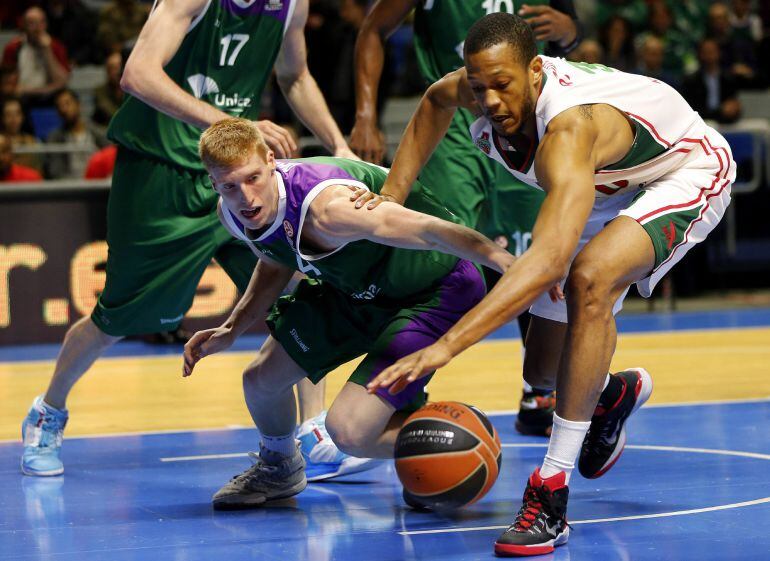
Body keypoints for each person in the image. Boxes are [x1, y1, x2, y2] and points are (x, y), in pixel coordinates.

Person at [365, 13, 734, 555]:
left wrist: (444, 349)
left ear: (535, 71)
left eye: (502, 85)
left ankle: (550, 492)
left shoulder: (568, 128)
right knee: (541, 372)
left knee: (589, 280)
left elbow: (546, 262)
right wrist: (391, 196)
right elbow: (433, 103)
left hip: (681, 169)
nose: (488, 100)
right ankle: (609, 393)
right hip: (604, 186)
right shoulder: (476, 87)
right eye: (479, 86)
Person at [20, 0, 361, 482]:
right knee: (120, 315)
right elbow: (137, 73)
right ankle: (46, 413)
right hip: (163, 171)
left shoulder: (292, 5)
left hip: (242, 176)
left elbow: (297, 76)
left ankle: (314, 433)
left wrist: (339, 144)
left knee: (297, 293)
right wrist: (230, 125)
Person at [183, 117, 514, 509]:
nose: (246, 196)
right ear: (214, 183)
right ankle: (280, 468)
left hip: (433, 288)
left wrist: (510, 265)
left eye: (253, 178)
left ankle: (462, 440)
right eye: (229, 186)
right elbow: (274, 259)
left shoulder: (330, 209)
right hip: (356, 289)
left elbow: (432, 231)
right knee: (260, 381)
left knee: (350, 432)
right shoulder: (234, 212)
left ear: (271, 160)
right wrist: (233, 327)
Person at [351, 0, 581, 437]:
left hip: (528, 113)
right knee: (430, 253)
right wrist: (366, 113)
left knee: (536, 252)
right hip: (460, 116)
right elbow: (372, 30)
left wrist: (568, 30)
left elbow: (573, 36)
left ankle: (540, 393)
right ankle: (391, 392)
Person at [1, 7, 71, 106]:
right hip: (20, 99)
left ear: (45, 24)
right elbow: (5, 84)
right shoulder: (13, 48)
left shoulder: (56, 47)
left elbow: (62, 81)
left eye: (40, 22)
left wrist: (47, 51)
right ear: (24, 25)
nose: (37, 27)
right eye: (32, 23)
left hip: (50, 98)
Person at [45, 88, 110, 179]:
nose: (64, 109)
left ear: (78, 105)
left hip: (98, 184)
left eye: (67, 103)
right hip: (70, 188)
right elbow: (56, 171)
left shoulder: (98, 133)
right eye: (59, 106)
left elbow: (110, 159)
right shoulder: (54, 138)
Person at [682, 38, 742, 124]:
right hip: (700, 123)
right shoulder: (691, 80)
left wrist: (735, 109)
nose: (709, 55)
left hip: (726, 122)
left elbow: (732, 105)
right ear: (699, 54)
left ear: (719, 53)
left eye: (712, 51)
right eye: (705, 52)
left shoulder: (728, 78)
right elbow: (691, 111)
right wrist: (720, 111)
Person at [92, 52, 125, 127]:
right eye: (114, 68)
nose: (118, 72)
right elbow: (109, 112)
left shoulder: (132, 90)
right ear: (107, 72)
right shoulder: (100, 92)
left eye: (120, 67)